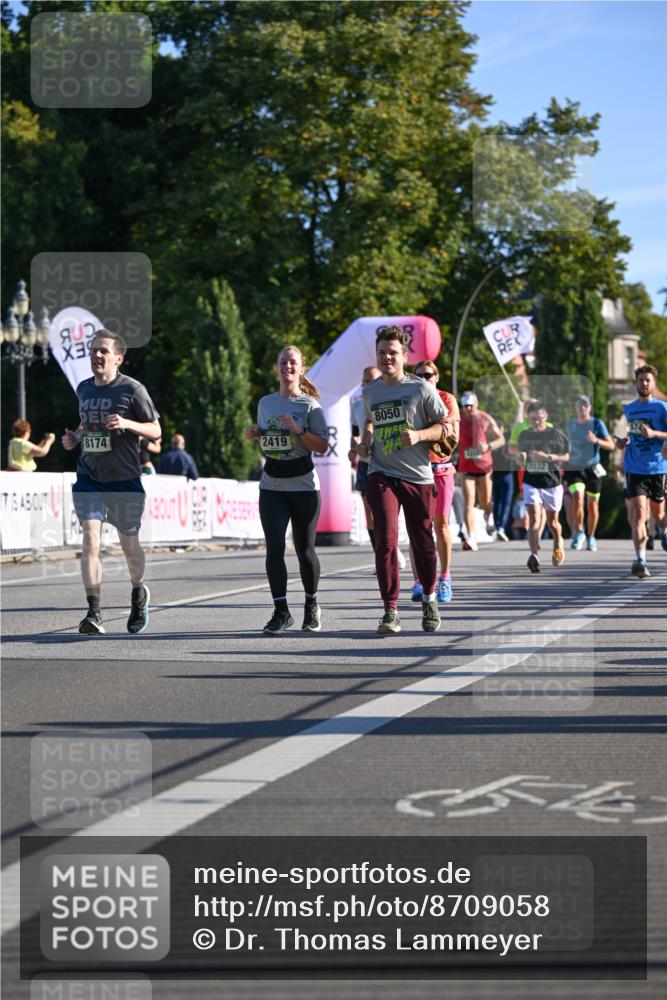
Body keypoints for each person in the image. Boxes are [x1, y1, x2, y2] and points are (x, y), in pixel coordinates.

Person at [62, 330, 161, 634]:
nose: (97, 355)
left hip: (124, 480)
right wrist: (75, 438)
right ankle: (94, 612)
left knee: (129, 546)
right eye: (93, 350)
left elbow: (156, 431)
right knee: (90, 539)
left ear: (118, 357)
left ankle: (138, 591)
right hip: (89, 478)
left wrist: (127, 423)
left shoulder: (132, 390)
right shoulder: (83, 389)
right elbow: (85, 422)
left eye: (103, 351)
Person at [355, 326, 452, 635]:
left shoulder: (421, 389)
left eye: (393, 353)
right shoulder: (370, 392)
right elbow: (368, 423)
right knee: (384, 540)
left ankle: (430, 598)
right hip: (381, 472)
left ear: (405, 357)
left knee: (422, 539)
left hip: (418, 475)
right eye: (382, 352)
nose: (387, 358)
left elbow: (446, 428)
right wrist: (364, 443)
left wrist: (420, 435)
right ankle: (390, 610)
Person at [245, 345, 328, 633]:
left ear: (301, 369)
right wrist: (256, 434)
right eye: (283, 362)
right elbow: (269, 439)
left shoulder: (309, 406)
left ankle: (311, 605)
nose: (287, 367)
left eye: (292, 363)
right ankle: (281, 611)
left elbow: (322, 445)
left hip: (304, 486)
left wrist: (298, 429)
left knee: (305, 551)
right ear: (277, 368)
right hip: (272, 485)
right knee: (274, 548)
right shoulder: (265, 402)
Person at [408, 359, 460, 604]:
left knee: (440, 525)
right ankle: (418, 580)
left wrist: (423, 434)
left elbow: (453, 437)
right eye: (419, 376)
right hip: (416, 469)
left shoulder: (447, 399)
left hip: (440, 471)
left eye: (428, 375)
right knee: (418, 528)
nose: (424, 379)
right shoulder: (409, 398)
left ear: (437, 377)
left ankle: (445, 577)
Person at [349, 366, 407, 569]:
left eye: (371, 381)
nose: (367, 385)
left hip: (388, 462)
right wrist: (354, 449)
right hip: (366, 465)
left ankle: (392, 549)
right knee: (370, 516)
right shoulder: (356, 407)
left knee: (388, 513)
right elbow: (355, 434)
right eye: (364, 382)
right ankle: (381, 557)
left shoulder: (388, 399)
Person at [614, 364, 667, 578]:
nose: (644, 383)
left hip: (657, 466)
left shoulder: (662, 408)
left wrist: (654, 433)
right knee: (639, 513)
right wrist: (622, 442)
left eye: (647, 380)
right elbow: (628, 434)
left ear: (653, 384)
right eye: (640, 380)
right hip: (634, 466)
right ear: (635, 384)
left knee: (660, 514)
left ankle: (664, 531)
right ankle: (640, 559)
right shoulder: (629, 409)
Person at [517, 401, 570, 573]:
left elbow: (566, 456)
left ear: (545, 417)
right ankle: (534, 555)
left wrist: (547, 457)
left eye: (539, 419)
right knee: (534, 519)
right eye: (533, 419)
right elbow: (523, 453)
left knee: (553, 522)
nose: (536, 422)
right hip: (531, 481)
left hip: (552, 483)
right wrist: (521, 457)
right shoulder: (525, 435)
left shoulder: (555, 434)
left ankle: (558, 543)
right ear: (529, 419)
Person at [562, 394, 614, 551]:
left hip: (592, 469)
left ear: (589, 407)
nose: (582, 408)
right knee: (577, 498)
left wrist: (596, 440)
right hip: (574, 468)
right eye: (579, 405)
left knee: (593, 505)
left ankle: (591, 536)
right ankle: (579, 532)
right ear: (575, 408)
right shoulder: (570, 425)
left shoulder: (597, 423)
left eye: (585, 405)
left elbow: (611, 445)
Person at [457, 392, 504, 550]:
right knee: (468, 502)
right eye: (465, 405)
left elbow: (500, 439)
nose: (468, 408)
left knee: (485, 502)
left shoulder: (484, 418)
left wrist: (488, 446)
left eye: (471, 405)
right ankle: (471, 537)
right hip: (466, 467)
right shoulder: (458, 420)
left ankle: (488, 515)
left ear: (476, 405)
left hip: (484, 466)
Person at [491, 419, 516, 542]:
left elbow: (517, 423)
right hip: (495, 476)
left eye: (498, 428)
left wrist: (520, 408)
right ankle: (497, 526)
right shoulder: (490, 442)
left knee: (506, 503)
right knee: (497, 503)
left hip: (507, 475)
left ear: (502, 430)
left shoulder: (507, 438)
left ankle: (501, 528)